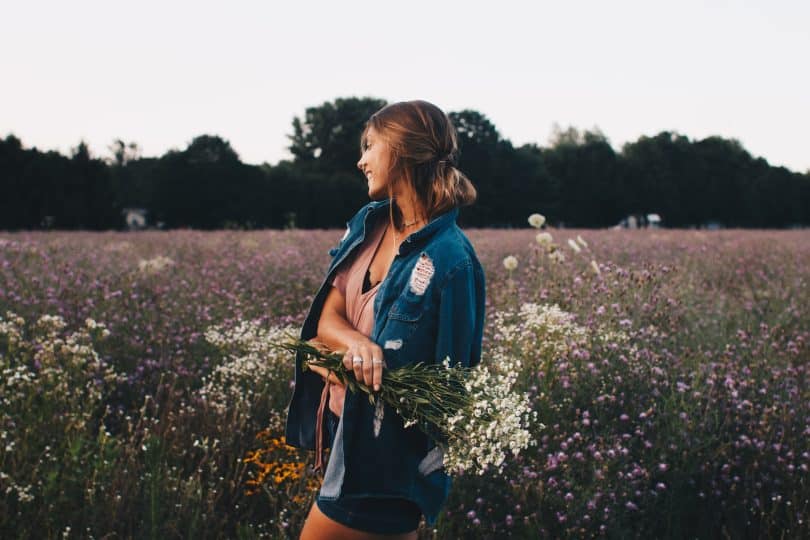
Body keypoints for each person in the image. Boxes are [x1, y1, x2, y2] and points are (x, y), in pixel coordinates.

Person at [285, 100, 486, 539]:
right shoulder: (367, 224)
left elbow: (449, 389)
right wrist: (352, 347)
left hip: (385, 464)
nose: (361, 161)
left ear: (398, 149)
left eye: (369, 146)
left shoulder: (453, 262)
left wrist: (329, 360)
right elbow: (328, 315)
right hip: (346, 438)